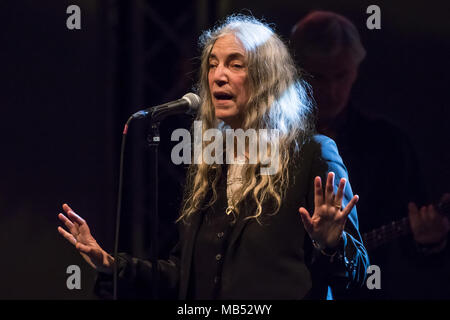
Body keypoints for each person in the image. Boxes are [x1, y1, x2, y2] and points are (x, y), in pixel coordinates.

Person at [57, 15, 369, 300]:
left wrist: (332, 244)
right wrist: (113, 265)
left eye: (235, 64)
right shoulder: (211, 162)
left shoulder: (312, 153)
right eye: (212, 64)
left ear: (266, 78)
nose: (218, 75)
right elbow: (186, 274)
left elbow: (354, 275)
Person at [290, 11, 449, 299]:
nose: (332, 90)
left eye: (341, 75)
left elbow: (417, 254)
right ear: (295, 72)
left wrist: (431, 240)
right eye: (319, 77)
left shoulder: (388, 144)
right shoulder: (266, 141)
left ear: (355, 70)